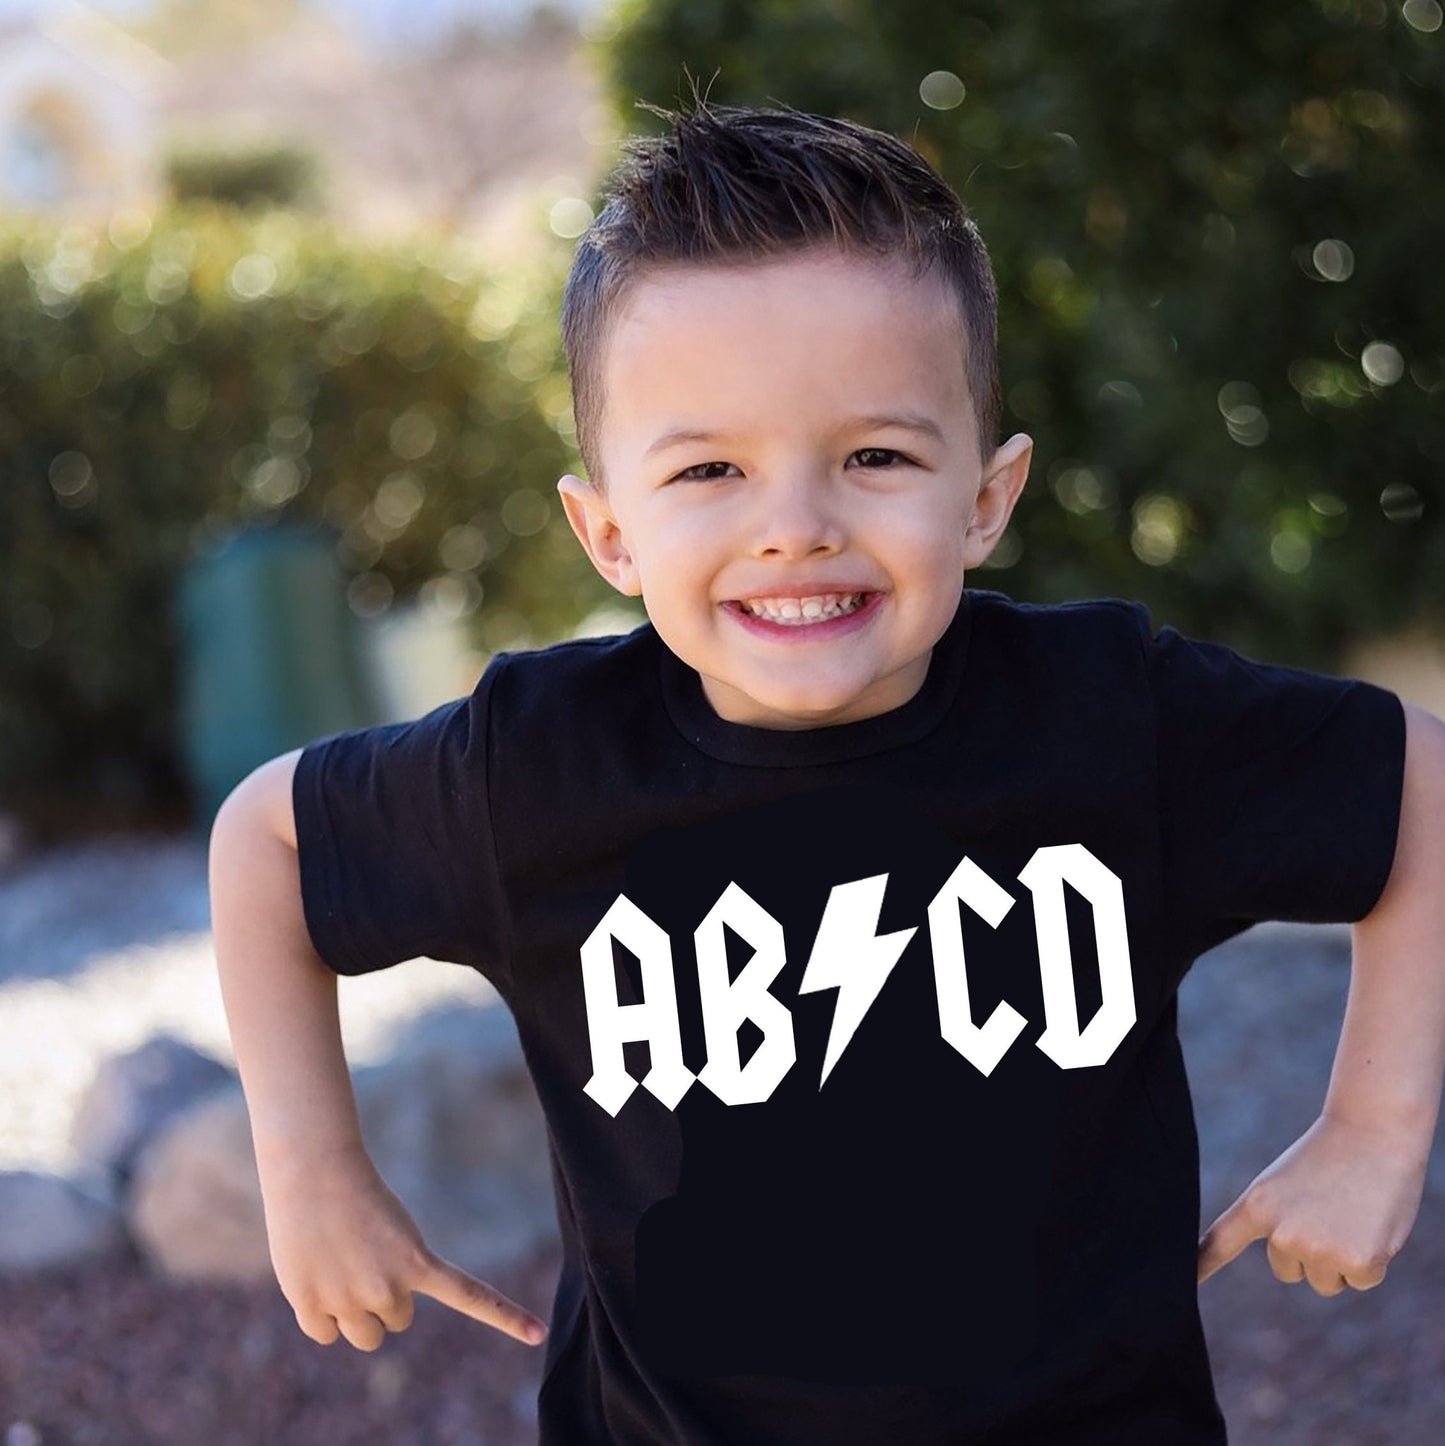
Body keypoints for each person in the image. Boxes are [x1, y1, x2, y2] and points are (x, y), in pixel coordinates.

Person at [208, 91, 1445, 1445]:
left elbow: (1419, 786)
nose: (793, 527)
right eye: (707, 472)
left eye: (871, 455)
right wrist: (312, 1167)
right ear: (607, 530)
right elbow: (266, 842)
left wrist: (1373, 1126)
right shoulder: (540, 766)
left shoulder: (1110, 719)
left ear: (983, 494)